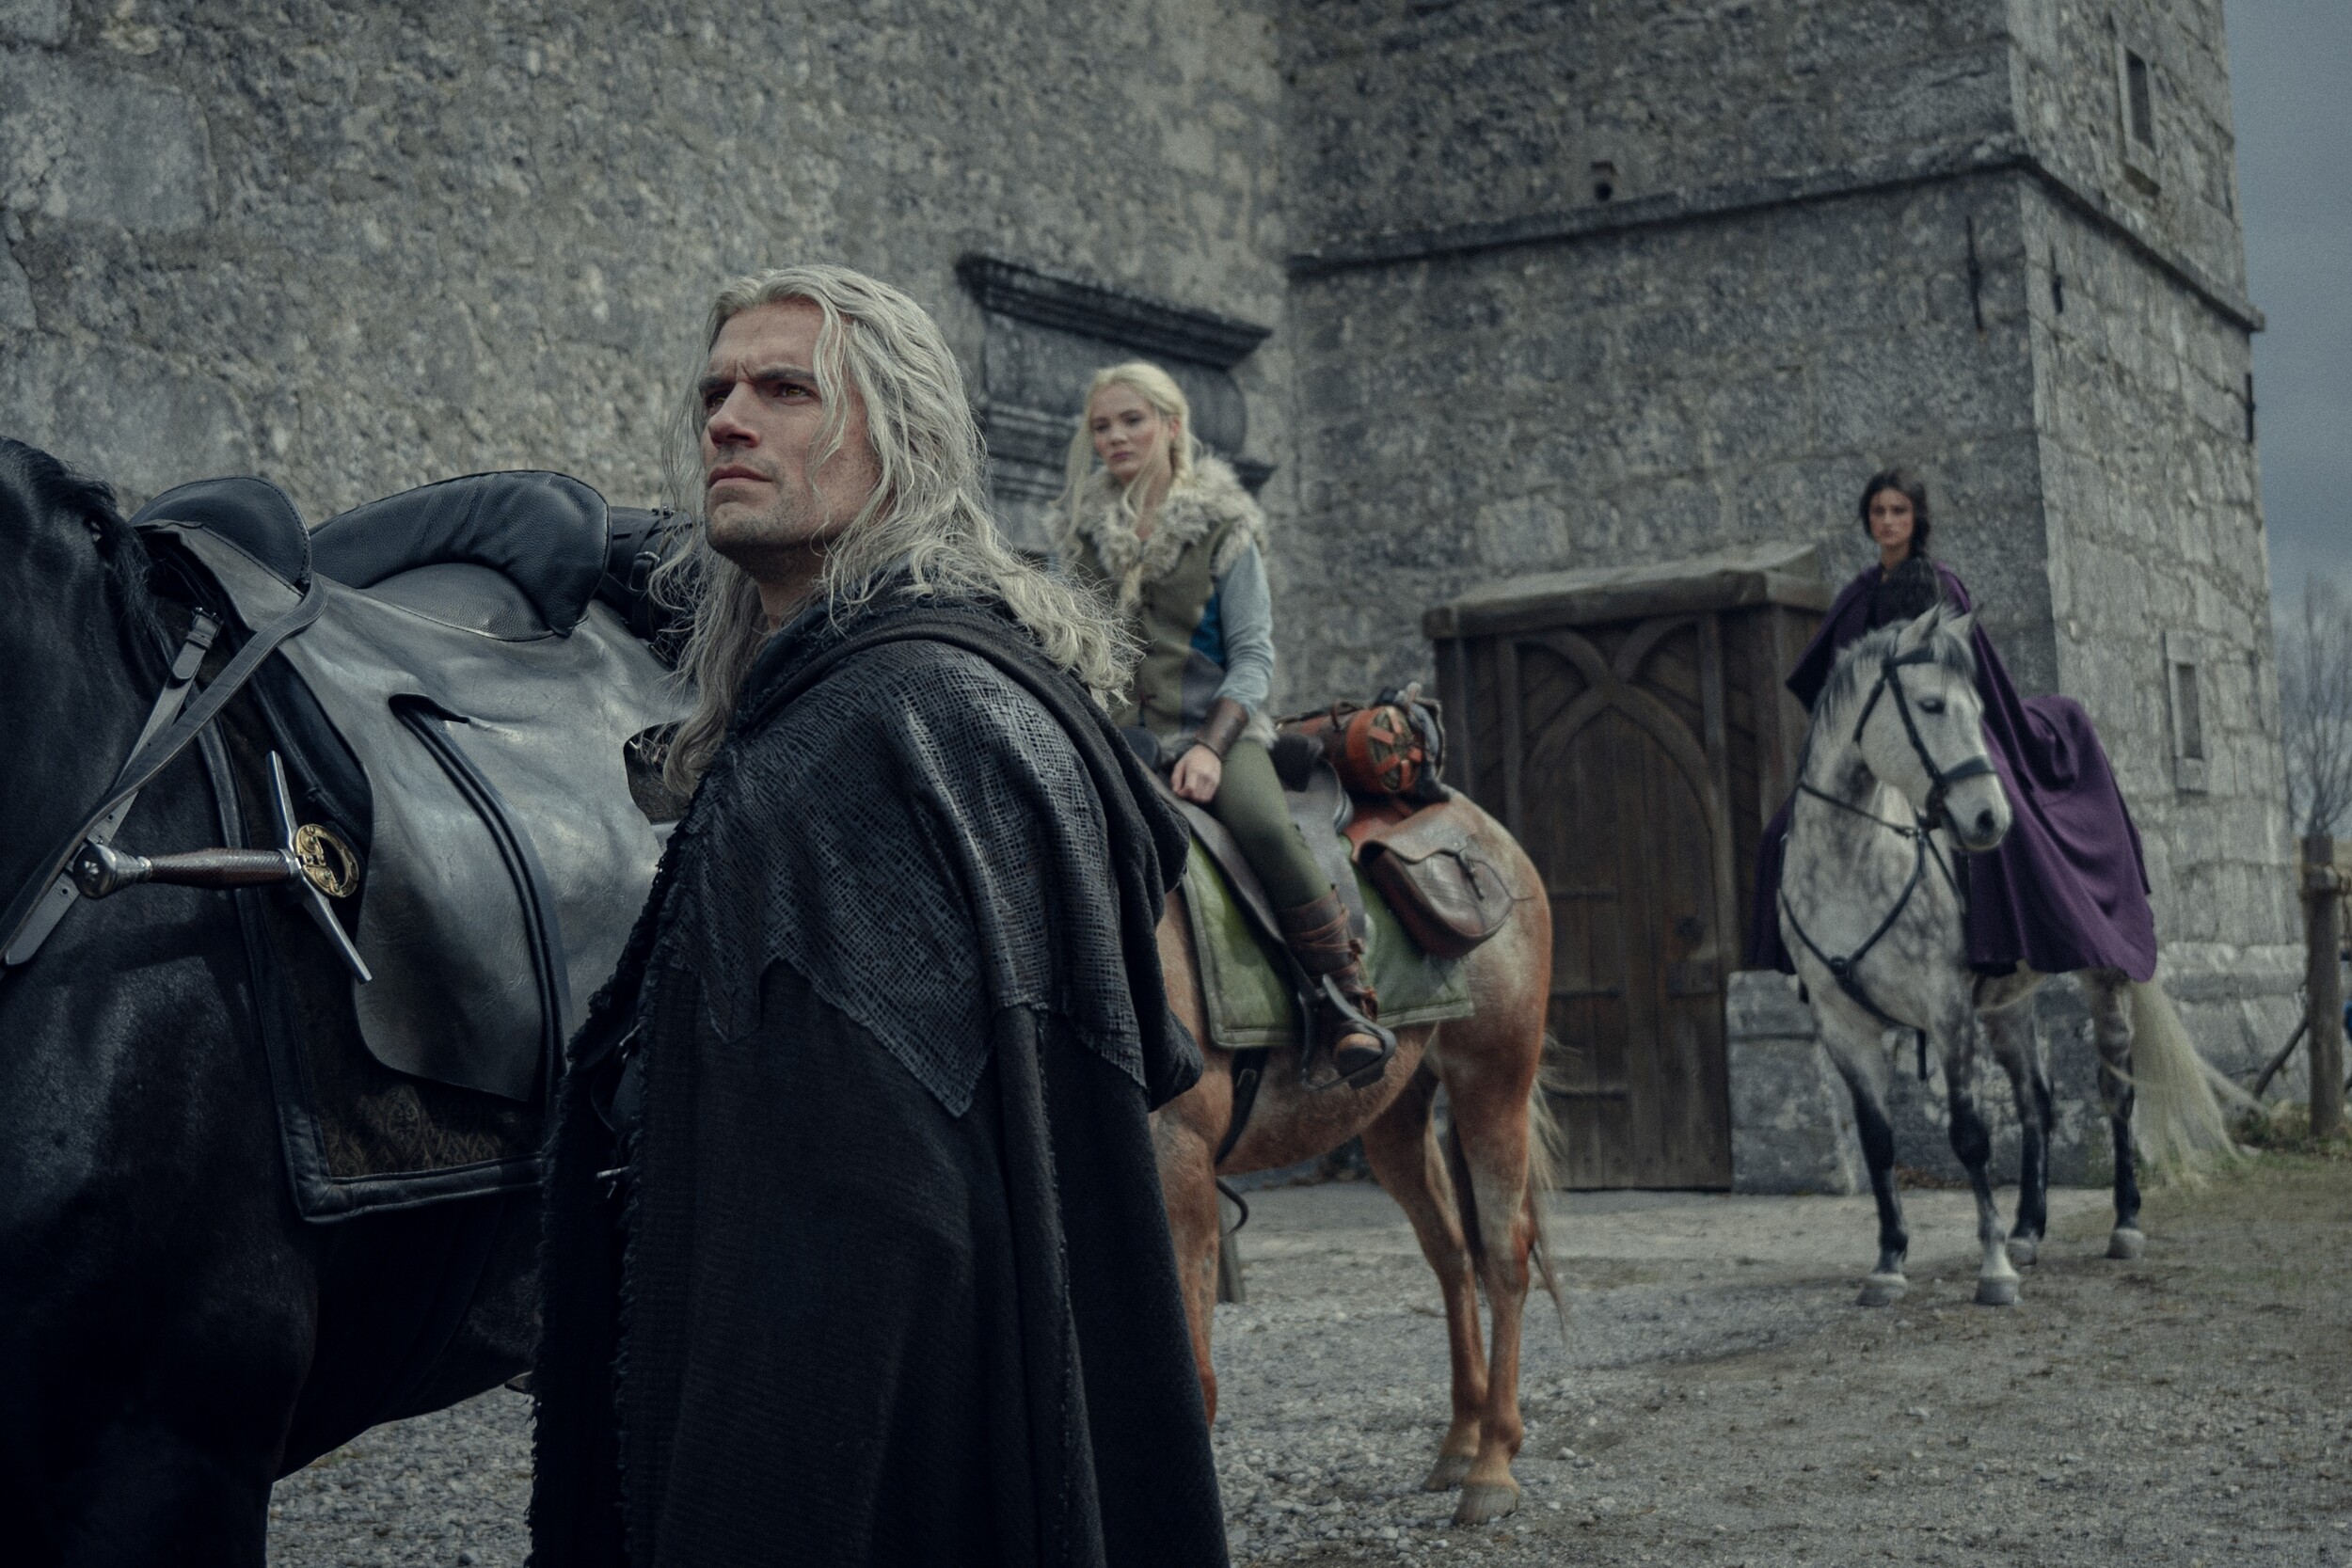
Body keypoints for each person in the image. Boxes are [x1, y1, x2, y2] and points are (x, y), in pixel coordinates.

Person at [529, 266, 1230, 1567]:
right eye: (716, 392)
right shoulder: (868, 698)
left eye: (785, 389)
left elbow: (867, 1206)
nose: (729, 418)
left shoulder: (891, 724)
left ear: (900, 440)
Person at [1055, 361, 1389, 1082]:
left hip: (1217, 730)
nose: (1115, 437)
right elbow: (1068, 643)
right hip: (1113, 736)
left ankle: (1344, 999)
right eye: (1102, 426)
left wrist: (1210, 747)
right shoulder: (1081, 537)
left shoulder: (1225, 526)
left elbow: (1254, 656)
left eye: (1132, 420)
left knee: (1265, 826)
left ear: (1172, 425)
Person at [1746, 467, 2159, 982]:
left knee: (2002, 825)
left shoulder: (1941, 585)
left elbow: (1967, 671)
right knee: (1781, 833)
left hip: (1945, 729)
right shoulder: (1858, 593)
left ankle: (1997, 946)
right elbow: (1837, 683)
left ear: (1916, 518)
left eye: (1898, 511)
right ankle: (1805, 960)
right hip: (1879, 742)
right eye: (1878, 512)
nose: (1887, 521)